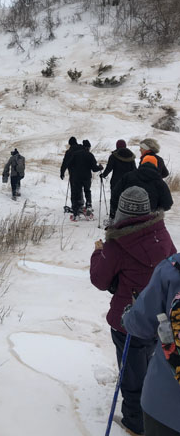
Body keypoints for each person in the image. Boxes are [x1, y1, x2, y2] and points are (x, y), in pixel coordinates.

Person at [90, 186, 177, 436]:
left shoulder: (117, 244)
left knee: (130, 372)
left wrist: (98, 253)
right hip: (160, 319)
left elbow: (99, 280)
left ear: (122, 213)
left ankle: (134, 422)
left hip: (127, 320)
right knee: (148, 361)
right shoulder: (161, 234)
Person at [123, 252, 180, 435]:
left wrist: (127, 317)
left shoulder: (173, 268)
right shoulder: (162, 239)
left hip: (167, 406)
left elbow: (142, 324)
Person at [66, 139, 103, 219]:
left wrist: (73, 171)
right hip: (86, 177)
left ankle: (76, 213)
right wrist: (100, 167)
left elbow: (69, 164)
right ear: (88, 147)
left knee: (77, 193)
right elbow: (94, 168)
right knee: (87, 191)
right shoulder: (90, 155)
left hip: (77, 177)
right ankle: (88, 205)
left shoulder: (75, 154)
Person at [60, 136, 84, 213]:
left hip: (73, 173)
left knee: (74, 190)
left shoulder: (69, 152)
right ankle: (81, 204)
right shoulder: (83, 149)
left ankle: (75, 206)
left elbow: (65, 163)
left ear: (70, 144)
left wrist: (62, 172)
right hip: (83, 173)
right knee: (80, 189)